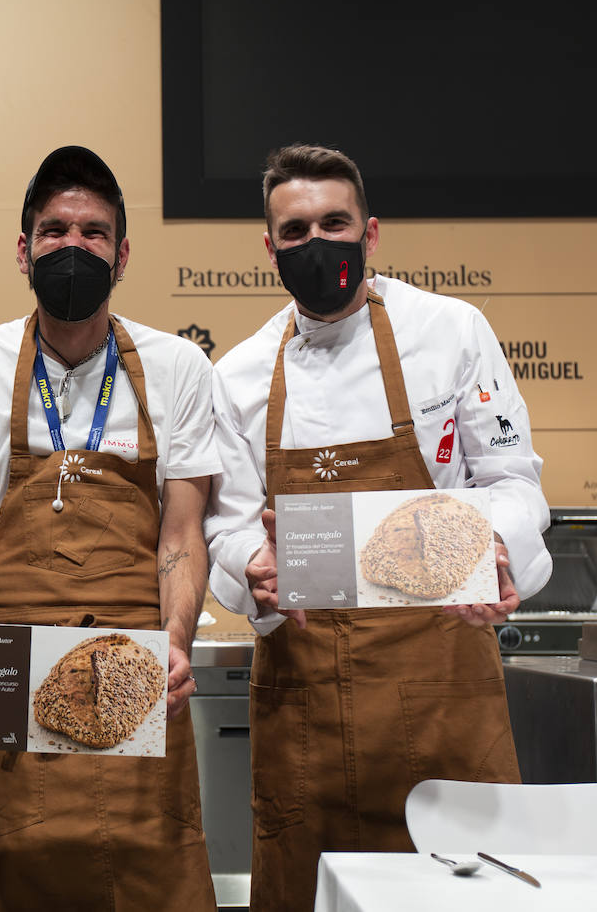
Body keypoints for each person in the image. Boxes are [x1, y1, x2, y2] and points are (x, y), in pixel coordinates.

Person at [205, 143, 551, 911]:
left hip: (444, 699)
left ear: (370, 231)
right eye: (294, 231)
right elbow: (227, 529)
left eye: (335, 222)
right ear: (269, 246)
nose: (316, 242)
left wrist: (497, 550)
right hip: (305, 713)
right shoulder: (236, 376)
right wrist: (251, 571)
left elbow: (510, 482)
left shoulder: (453, 332)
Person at [0, 146, 220, 910]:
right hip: (8, 671)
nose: (73, 246)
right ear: (23, 249)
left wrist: (179, 644)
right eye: (54, 229)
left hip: (138, 676)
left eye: (93, 233)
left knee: (143, 880)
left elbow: (182, 532)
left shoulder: (179, 366)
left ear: (122, 255)